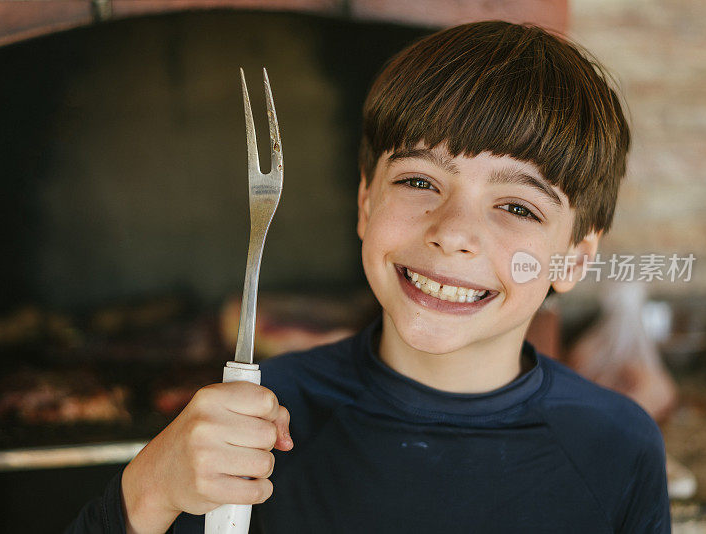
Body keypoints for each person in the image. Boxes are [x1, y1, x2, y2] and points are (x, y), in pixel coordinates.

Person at [68, 20, 670, 533]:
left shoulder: (617, 446)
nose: (454, 232)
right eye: (418, 181)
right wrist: (148, 490)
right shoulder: (257, 419)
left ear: (573, 258)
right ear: (364, 203)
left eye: (518, 207)